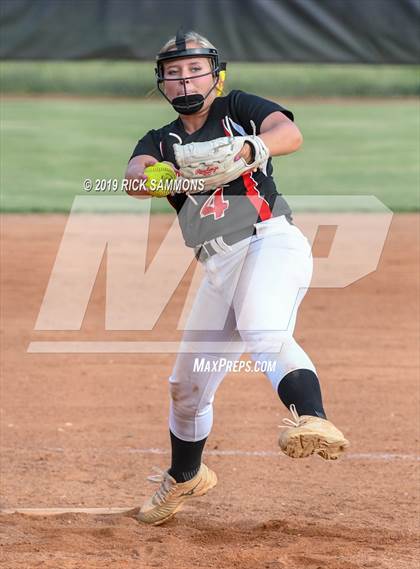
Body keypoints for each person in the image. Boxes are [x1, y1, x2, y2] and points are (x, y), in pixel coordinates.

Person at [124, 29, 349, 526]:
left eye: (196, 68)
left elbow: (288, 134)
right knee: (185, 388)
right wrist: (157, 176)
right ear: (161, 82)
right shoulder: (162, 139)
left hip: (269, 240)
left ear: (216, 74)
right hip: (217, 264)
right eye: (174, 71)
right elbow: (133, 177)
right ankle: (186, 476)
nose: (186, 78)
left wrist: (250, 149)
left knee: (263, 329)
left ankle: (312, 417)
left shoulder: (238, 108)